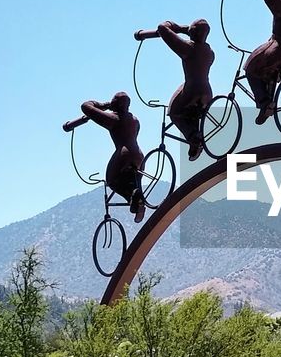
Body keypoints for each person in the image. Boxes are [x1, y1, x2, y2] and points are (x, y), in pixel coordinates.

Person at [72, 93, 146, 222]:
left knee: (112, 180)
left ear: (115, 103)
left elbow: (85, 106)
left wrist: (104, 105)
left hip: (123, 154)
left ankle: (132, 197)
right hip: (139, 156)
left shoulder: (113, 119)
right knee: (134, 181)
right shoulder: (135, 120)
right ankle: (137, 199)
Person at [156, 19, 215, 161]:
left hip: (192, 89)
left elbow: (162, 28)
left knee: (175, 112)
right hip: (207, 91)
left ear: (192, 31)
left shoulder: (189, 48)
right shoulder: (209, 51)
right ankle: (195, 140)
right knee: (192, 113)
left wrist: (180, 28)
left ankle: (193, 138)